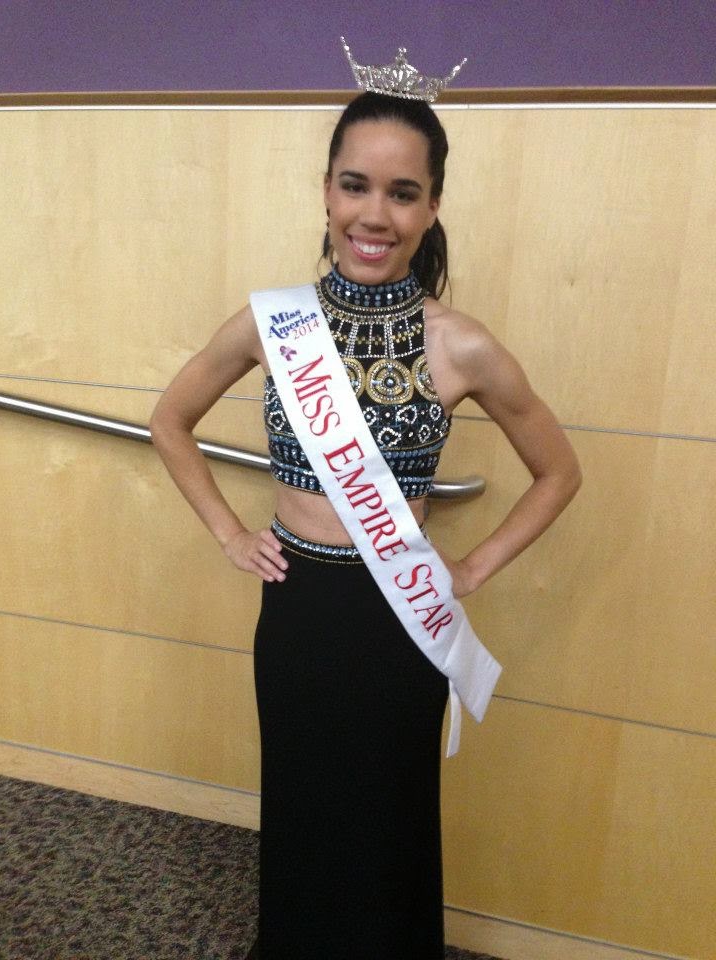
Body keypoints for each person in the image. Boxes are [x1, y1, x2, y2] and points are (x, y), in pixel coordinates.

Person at [150, 84, 581, 960]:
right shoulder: (273, 324)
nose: (374, 215)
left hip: (400, 620)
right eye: (355, 186)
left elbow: (558, 472)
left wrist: (472, 568)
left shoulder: (462, 344)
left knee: (390, 822)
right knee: (303, 810)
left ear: (432, 207)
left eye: (402, 192)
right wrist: (231, 534)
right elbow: (170, 419)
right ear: (326, 192)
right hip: (299, 610)